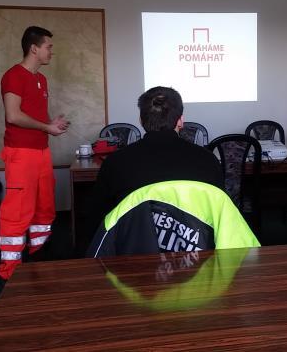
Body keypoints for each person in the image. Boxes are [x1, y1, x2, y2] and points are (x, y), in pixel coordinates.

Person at [87, 86, 225, 252]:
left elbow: (98, 220)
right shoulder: (208, 160)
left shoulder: (115, 162)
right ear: (180, 120)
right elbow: (221, 216)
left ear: (141, 119)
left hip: (132, 260)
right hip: (199, 259)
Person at [0, 26, 69, 280]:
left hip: (41, 151)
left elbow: (36, 116)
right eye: (48, 46)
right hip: (20, 153)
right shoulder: (14, 76)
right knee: (18, 211)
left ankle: (39, 254)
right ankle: (10, 270)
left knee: (44, 207)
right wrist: (46, 127)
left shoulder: (41, 79)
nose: (51, 51)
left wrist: (52, 124)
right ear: (34, 48)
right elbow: (13, 115)